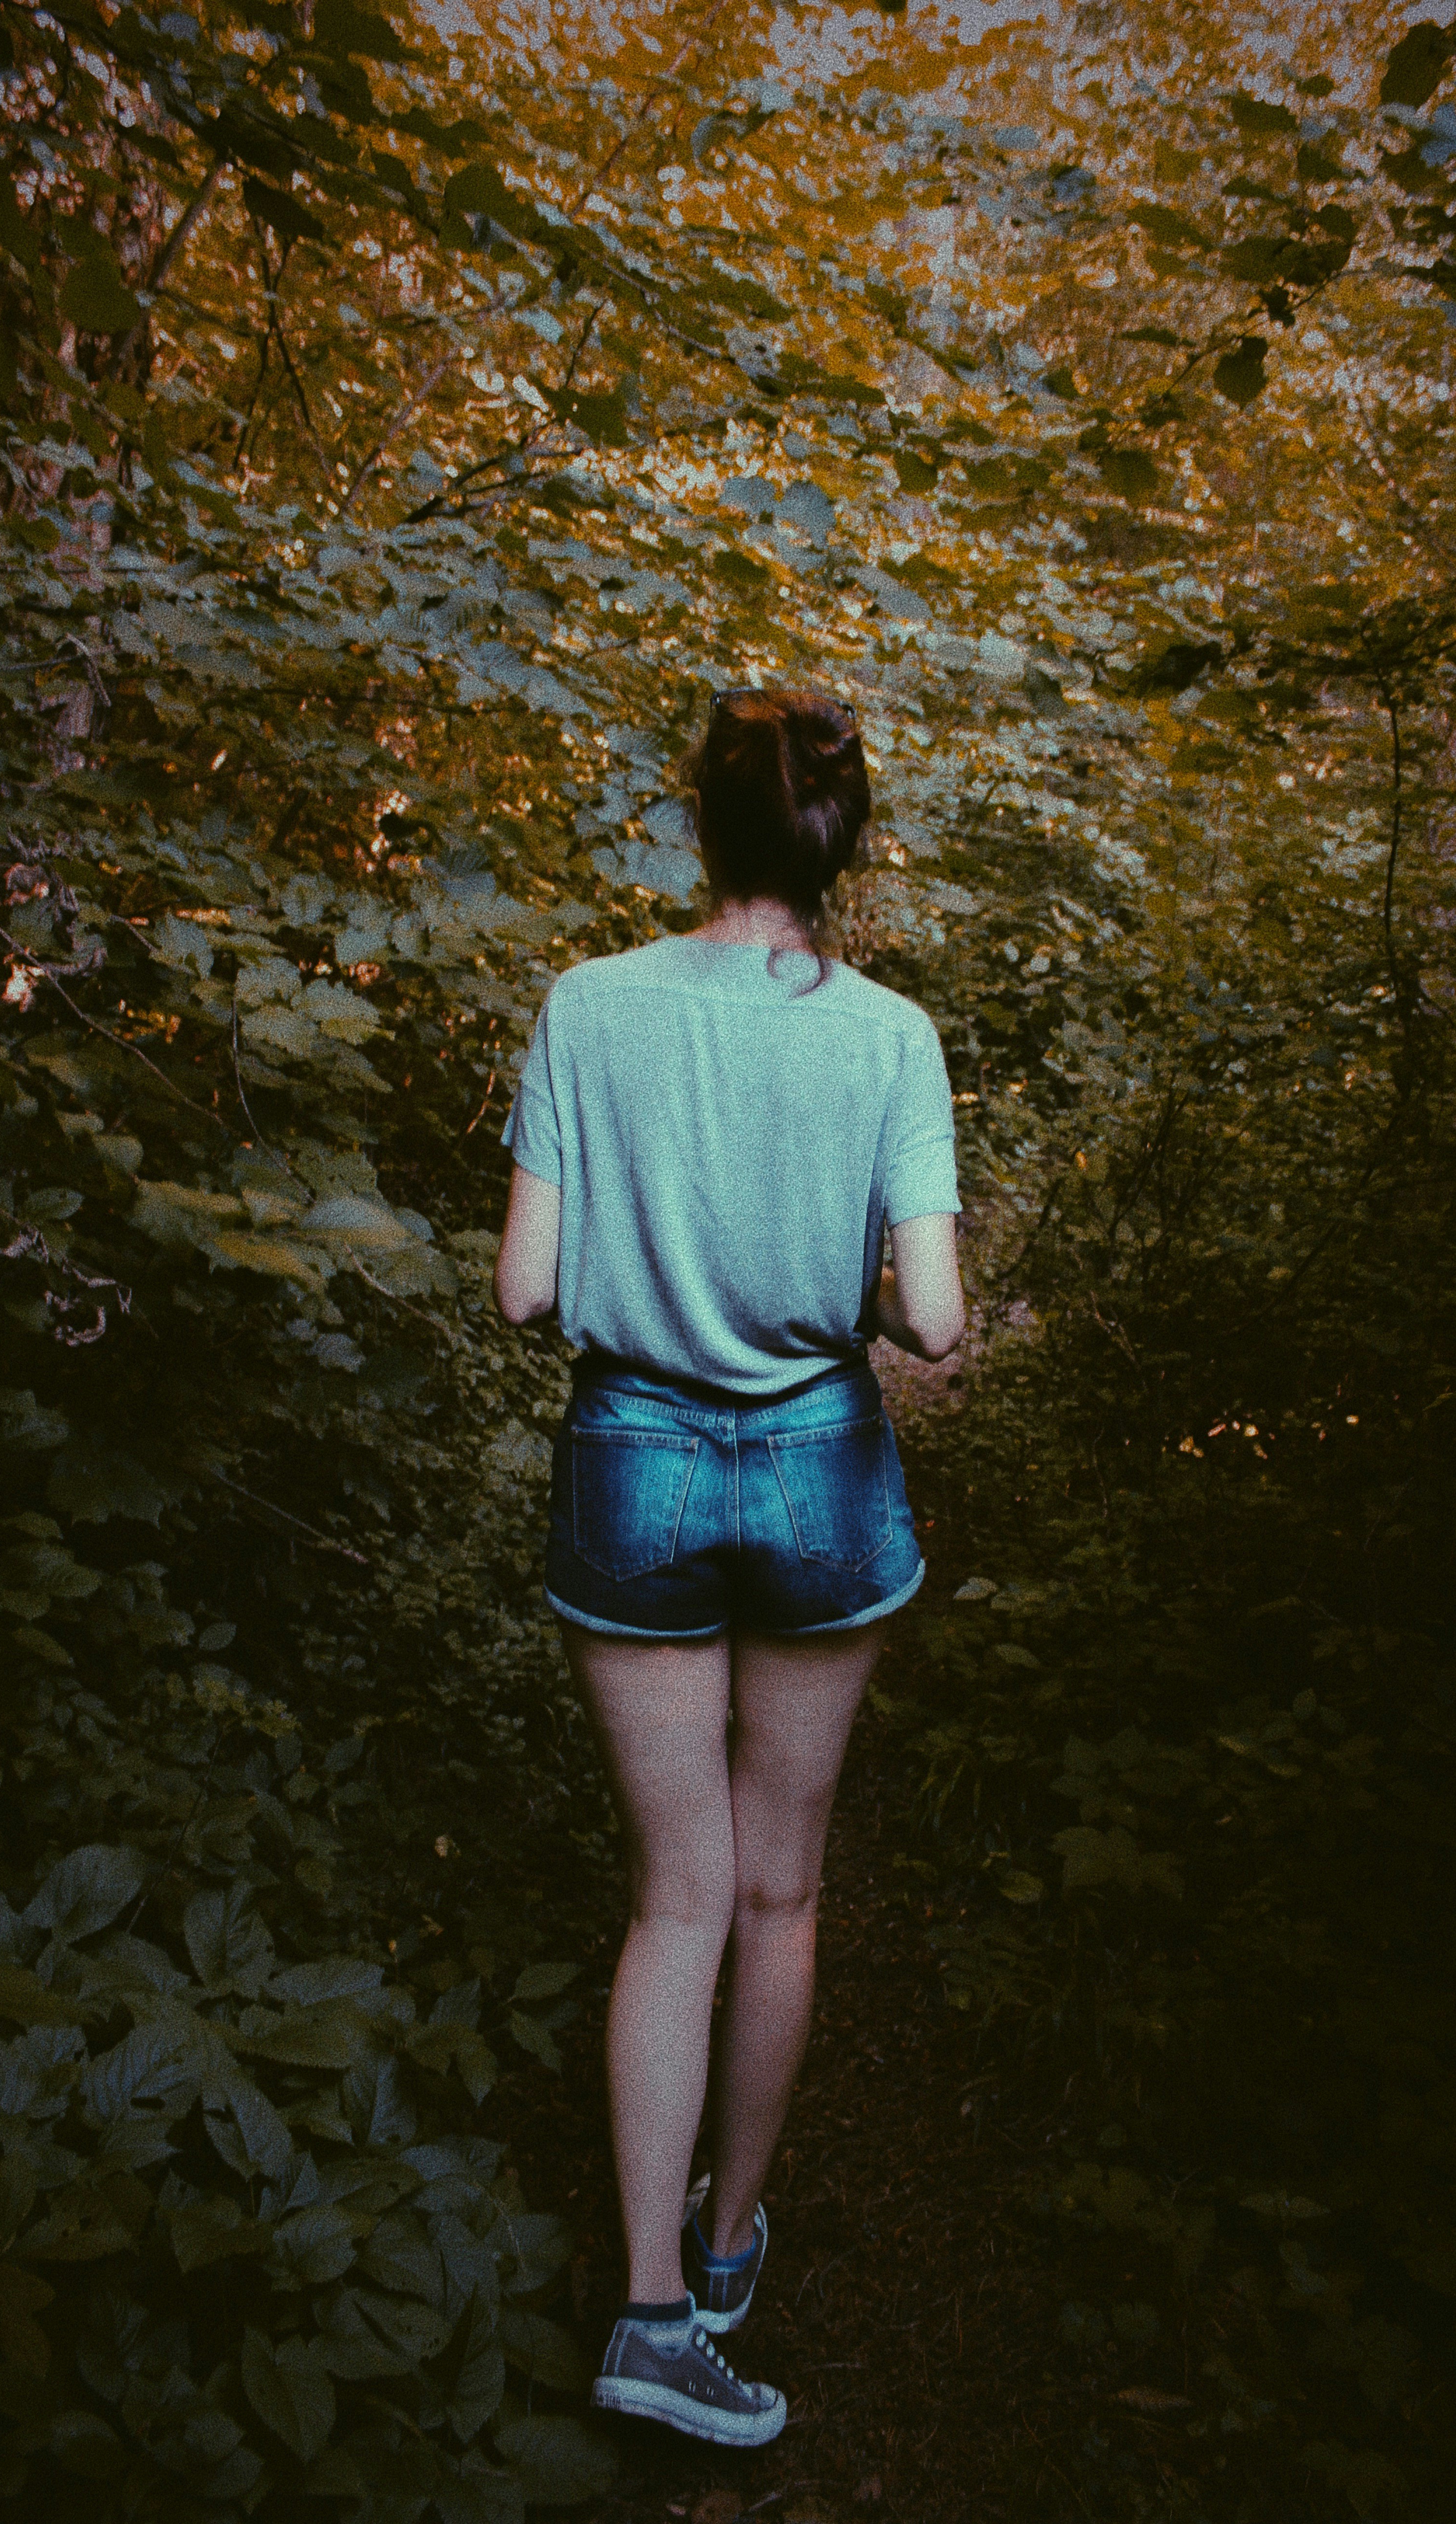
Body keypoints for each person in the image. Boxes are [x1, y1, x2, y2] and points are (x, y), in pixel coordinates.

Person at [492, 684, 965, 2447]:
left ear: (703, 823)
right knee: (781, 1891)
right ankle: (732, 2233)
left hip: (634, 1462)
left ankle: (645, 2315)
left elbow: (529, 1289)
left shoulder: (586, 1005)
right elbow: (928, 1313)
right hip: (823, 1472)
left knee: (674, 1895)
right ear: (846, 842)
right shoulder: (891, 1035)